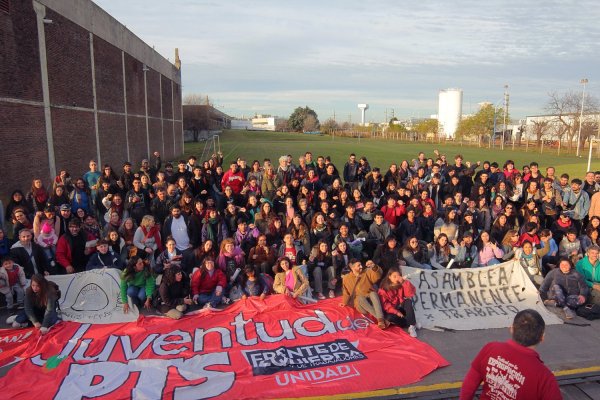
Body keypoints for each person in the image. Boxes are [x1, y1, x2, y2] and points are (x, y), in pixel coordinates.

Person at [459, 309, 561, 400]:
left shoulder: (490, 348)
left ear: (511, 329)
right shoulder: (545, 378)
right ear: (542, 337)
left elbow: (469, 386)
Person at [341, 259, 388, 329]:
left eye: (361, 265)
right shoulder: (346, 278)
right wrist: (344, 302)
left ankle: (380, 320)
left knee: (373, 294)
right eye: (358, 265)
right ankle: (382, 319)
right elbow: (346, 292)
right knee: (360, 298)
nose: (361, 267)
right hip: (361, 305)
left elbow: (378, 275)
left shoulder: (366, 272)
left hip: (371, 300)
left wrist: (374, 266)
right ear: (352, 267)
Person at [378, 267, 418, 337]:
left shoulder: (401, 284)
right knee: (389, 318)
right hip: (391, 310)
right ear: (389, 277)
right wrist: (396, 312)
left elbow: (410, 294)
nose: (397, 278)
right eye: (394, 276)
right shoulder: (383, 289)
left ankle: (411, 326)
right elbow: (386, 305)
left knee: (408, 301)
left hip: (399, 307)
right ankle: (410, 323)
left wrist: (404, 282)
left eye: (398, 276)